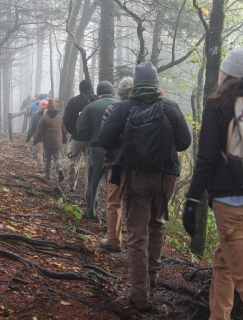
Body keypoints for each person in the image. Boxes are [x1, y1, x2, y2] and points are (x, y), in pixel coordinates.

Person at [183, 48, 243, 319]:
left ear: (227, 73)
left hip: (231, 205)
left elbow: (207, 158)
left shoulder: (218, 103)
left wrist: (192, 200)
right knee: (224, 262)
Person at [99, 61, 191, 312]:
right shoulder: (170, 107)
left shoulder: (123, 108)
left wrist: (127, 140)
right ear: (156, 84)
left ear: (137, 84)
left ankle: (140, 295)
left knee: (137, 233)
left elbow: (104, 139)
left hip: (135, 177)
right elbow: (184, 141)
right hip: (165, 178)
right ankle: (154, 274)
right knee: (158, 223)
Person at [98, 77, 134, 252]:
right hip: (137, 163)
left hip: (115, 162)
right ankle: (137, 244)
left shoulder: (112, 109)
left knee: (114, 201)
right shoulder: (143, 109)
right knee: (137, 202)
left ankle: (113, 240)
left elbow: (103, 135)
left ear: (120, 93)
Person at [76, 81, 118, 222]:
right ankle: (112, 215)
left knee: (93, 181)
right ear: (112, 91)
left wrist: (91, 137)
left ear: (98, 93)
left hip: (96, 147)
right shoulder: (120, 106)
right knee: (113, 183)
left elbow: (80, 128)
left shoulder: (90, 107)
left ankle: (91, 212)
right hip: (116, 150)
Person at [63, 80, 95, 192]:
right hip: (91, 138)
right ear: (90, 88)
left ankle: (71, 186)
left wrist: (74, 131)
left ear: (80, 88)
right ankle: (89, 189)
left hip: (77, 137)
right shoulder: (96, 101)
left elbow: (66, 119)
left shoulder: (73, 101)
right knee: (89, 164)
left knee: (73, 162)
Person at [33, 98, 67, 181]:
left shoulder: (44, 118)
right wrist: (65, 140)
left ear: (47, 108)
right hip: (57, 142)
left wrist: (35, 141)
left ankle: (48, 175)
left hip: (47, 142)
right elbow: (64, 131)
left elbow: (39, 131)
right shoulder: (60, 118)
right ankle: (59, 169)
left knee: (47, 158)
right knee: (57, 158)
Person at [26, 100, 48, 173]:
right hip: (49, 138)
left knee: (40, 152)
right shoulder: (50, 115)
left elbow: (31, 128)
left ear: (40, 106)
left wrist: (28, 138)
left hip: (39, 138)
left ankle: (41, 167)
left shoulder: (35, 116)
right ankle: (47, 167)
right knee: (47, 152)